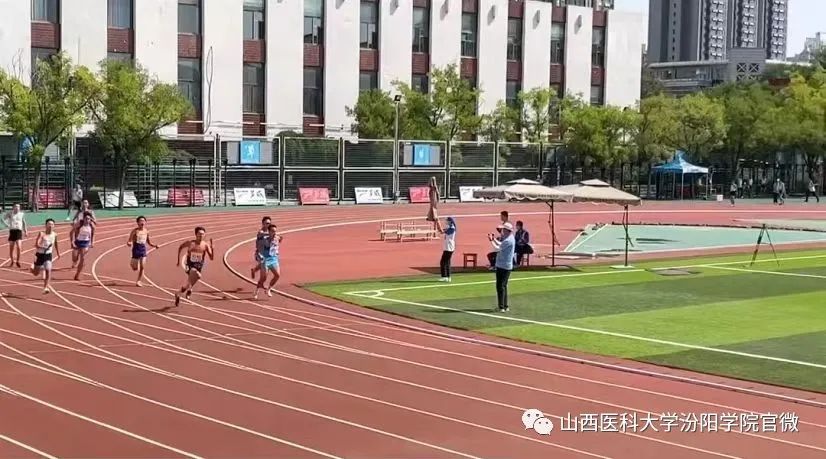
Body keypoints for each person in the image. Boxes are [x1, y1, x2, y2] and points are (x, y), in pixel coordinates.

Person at [174, 227, 214, 307]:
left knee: (194, 278)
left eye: (202, 234)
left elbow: (211, 258)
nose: (201, 235)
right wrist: (178, 260)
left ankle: (179, 293)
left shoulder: (205, 245)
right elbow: (180, 247)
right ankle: (189, 289)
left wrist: (212, 249)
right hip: (189, 265)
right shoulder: (190, 243)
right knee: (195, 273)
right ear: (196, 234)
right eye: (199, 234)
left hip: (199, 266)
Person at [489, 222, 515, 312]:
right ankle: (505, 305)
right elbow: (501, 244)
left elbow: (497, 248)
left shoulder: (508, 240)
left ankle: (501, 307)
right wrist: (494, 239)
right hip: (506, 265)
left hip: (503, 265)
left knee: (500, 286)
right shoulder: (510, 238)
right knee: (504, 286)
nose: (502, 231)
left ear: (506, 230)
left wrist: (491, 241)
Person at [127, 216, 160, 286]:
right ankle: (133, 264)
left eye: (143, 221)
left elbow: (149, 242)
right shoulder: (134, 231)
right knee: (134, 268)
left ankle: (138, 281)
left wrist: (155, 245)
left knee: (142, 266)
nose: (142, 222)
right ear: (138, 223)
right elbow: (129, 240)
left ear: (145, 222)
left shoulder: (146, 231)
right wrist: (129, 243)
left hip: (143, 250)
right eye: (140, 221)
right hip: (136, 250)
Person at [253, 223, 283, 299]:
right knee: (263, 278)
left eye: (275, 231)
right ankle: (256, 290)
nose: (274, 233)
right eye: (272, 231)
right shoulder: (264, 240)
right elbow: (259, 246)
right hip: (265, 260)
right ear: (269, 231)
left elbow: (280, 239)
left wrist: (280, 240)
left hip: (274, 259)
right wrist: (259, 256)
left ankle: (269, 289)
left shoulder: (277, 238)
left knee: (277, 275)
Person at [31, 218, 61, 294]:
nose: (50, 226)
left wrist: (58, 253)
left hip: (48, 255)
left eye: (52, 224)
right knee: (35, 273)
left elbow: (56, 243)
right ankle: (32, 268)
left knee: (48, 269)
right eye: (49, 224)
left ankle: (46, 287)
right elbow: (36, 244)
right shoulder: (41, 234)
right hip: (39, 255)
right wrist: (43, 247)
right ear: (46, 225)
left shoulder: (54, 234)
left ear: (54, 226)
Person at [69, 211, 95, 280]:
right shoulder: (79, 224)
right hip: (78, 242)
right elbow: (71, 232)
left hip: (85, 243)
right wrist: (71, 242)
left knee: (83, 259)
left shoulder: (92, 225)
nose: (87, 220)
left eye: (89, 219)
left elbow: (93, 234)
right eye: (86, 219)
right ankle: (75, 261)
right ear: (83, 219)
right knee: (75, 258)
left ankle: (77, 275)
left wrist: (92, 242)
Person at [2, 203, 28, 268]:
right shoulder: (10, 213)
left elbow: (24, 222)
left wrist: (25, 231)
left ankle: (18, 261)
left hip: (18, 231)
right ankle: (12, 261)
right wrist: (6, 225)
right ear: (13, 207)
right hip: (12, 231)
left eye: (18, 207)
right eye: (16, 206)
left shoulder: (21, 214)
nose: (17, 208)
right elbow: (3, 219)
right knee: (11, 248)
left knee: (19, 247)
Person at [438, 217, 456, 282]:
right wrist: (437, 222)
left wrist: (437, 221)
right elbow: (441, 230)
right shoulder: (449, 227)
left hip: (449, 247)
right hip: (447, 247)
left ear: (450, 221)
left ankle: (444, 276)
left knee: (443, 262)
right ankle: (448, 277)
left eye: (447, 221)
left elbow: (443, 231)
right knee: (447, 262)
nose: (446, 222)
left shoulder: (452, 228)